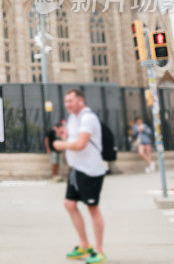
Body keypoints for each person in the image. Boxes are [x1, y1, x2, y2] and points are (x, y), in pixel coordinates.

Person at [52, 89, 107, 264]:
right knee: (69, 204)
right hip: (76, 169)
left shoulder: (88, 118)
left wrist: (61, 145)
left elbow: (81, 144)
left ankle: (99, 251)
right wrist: (63, 136)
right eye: (66, 101)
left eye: (71, 101)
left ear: (81, 101)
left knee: (93, 209)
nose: (68, 104)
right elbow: (72, 137)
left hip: (90, 170)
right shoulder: (73, 118)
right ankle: (84, 245)